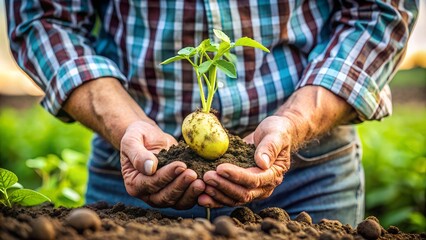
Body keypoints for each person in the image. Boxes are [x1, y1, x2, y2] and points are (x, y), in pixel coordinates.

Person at [6, 0, 418, 226]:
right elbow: (42, 17)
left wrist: (293, 122)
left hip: (309, 174)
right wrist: (127, 124)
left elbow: (380, 11)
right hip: (138, 162)